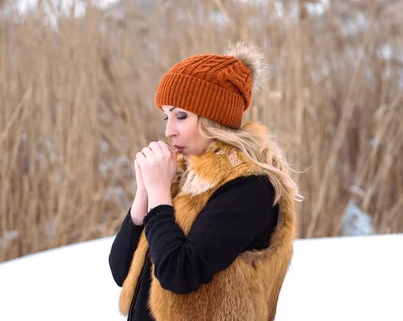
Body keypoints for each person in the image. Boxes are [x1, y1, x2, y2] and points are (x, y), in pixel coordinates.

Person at [109, 41, 301, 321]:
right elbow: (122, 272)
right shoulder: (182, 176)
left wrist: (161, 195)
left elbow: (179, 273)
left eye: (181, 115)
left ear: (214, 116)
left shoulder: (250, 187)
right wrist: (144, 196)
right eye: (166, 115)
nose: (168, 130)